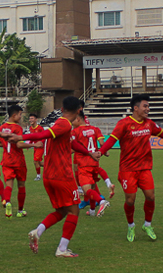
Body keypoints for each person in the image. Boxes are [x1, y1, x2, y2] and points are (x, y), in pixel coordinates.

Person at [8, 96, 100, 258]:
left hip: (49, 175)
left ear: (62, 108)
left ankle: (38, 231)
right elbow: (44, 136)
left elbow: (71, 143)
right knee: (73, 211)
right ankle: (62, 248)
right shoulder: (64, 124)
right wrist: (21, 137)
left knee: (62, 210)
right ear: (79, 110)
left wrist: (89, 153)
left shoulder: (60, 124)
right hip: (62, 175)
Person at [99, 94, 163, 242]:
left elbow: (162, 133)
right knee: (130, 200)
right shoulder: (124, 124)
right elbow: (112, 139)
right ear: (135, 108)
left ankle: (147, 225)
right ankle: (131, 225)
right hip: (127, 169)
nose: (147, 109)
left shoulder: (149, 124)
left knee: (151, 196)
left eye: (148, 106)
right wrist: (101, 151)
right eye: (145, 106)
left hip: (144, 168)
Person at [0, 105, 41, 219]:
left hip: (6, 160)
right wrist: (33, 144)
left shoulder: (2, 127)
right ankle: (20, 211)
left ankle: (7, 202)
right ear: (14, 115)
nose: (21, 117)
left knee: (9, 185)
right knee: (21, 186)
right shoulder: (17, 128)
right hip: (18, 161)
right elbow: (19, 144)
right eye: (20, 114)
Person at [70, 112, 113, 217]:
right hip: (95, 163)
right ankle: (92, 211)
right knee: (93, 188)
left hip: (84, 164)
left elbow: (72, 148)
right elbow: (102, 144)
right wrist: (104, 152)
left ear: (78, 119)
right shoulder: (95, 129)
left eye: (73, 120)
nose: (71, 123)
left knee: (87, 190)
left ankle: (102, 201)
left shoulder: (75, 132)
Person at [28, 114, 44, 181]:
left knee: (35, 161)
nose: (30, 120)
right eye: (30, 119)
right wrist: (30, 143)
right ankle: (52, 166)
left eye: (32, 118)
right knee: (39, 163)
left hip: (40, 147)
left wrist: (41, 142)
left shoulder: (40, 128)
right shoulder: (31, 128)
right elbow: (32, 137)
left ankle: (38, 176)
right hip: (35, 147)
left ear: (35, 120)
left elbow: (45, 136)